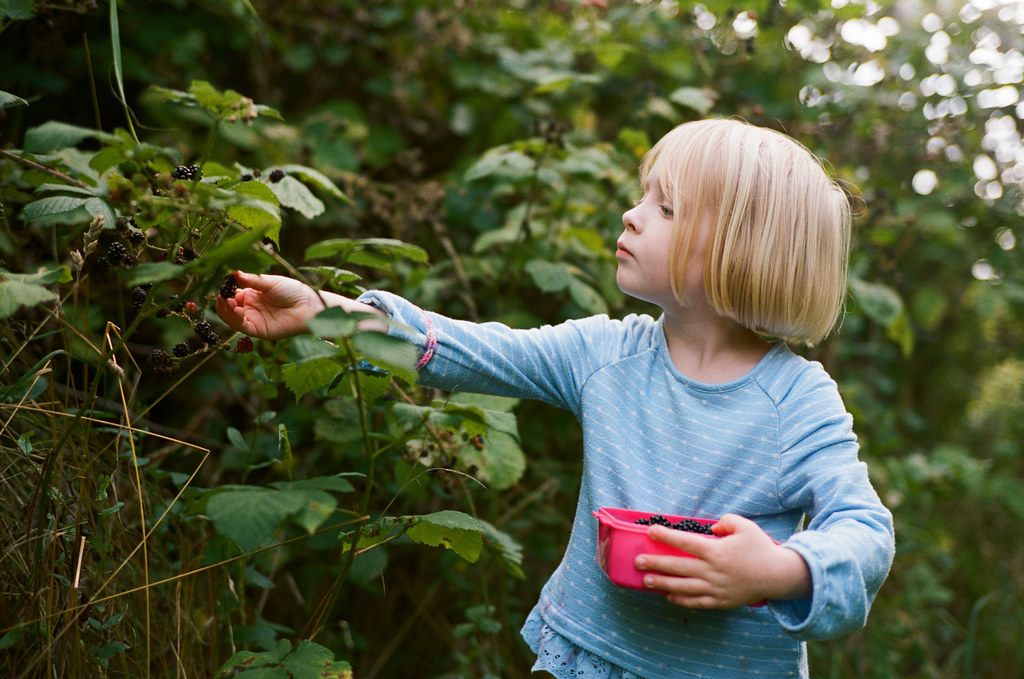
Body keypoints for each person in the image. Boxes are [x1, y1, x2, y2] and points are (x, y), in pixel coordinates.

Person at [216, 118, 895, 679]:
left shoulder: (798, 400)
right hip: (588, 658)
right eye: (643, 196)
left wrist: (777, 569)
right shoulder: (606, 354)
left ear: (739, 250)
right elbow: (460, 348)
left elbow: (865, 534)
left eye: (666, 207)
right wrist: (321, 311)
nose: (632, 215)